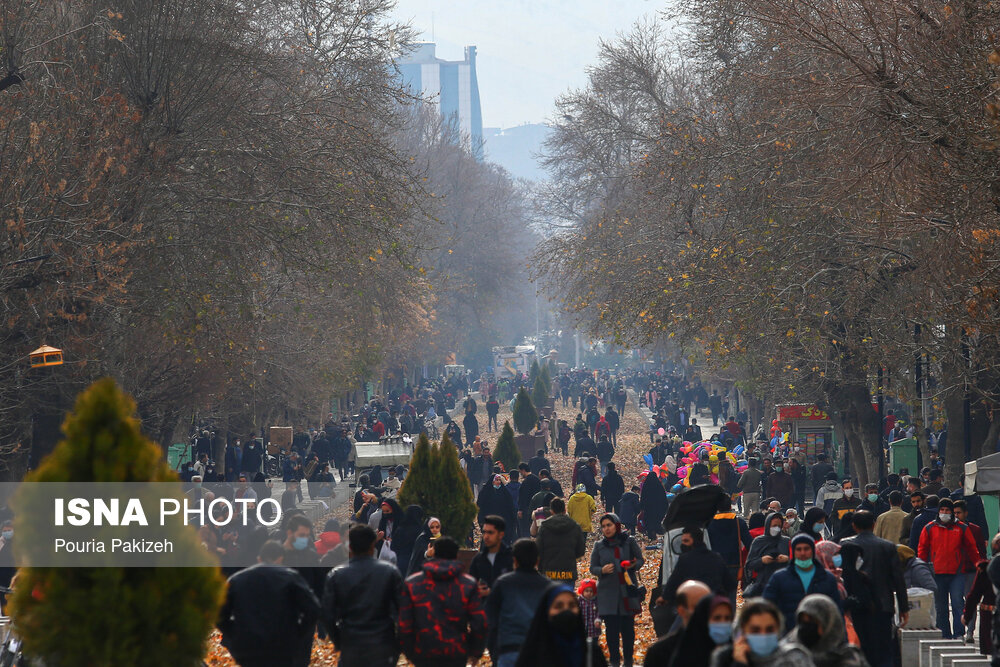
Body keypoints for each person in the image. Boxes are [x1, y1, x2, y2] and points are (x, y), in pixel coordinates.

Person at [218, 541, 321, 667]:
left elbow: (219, 612)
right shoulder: (290, 578)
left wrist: (233, 634)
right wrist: (297, 634)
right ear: (281, 559)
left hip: (248, 646)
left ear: (259, 558)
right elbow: (312, 609)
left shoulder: (237, 580)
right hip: (282, 645)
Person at [398, 536, 487, 667]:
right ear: (456, 555)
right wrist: (475, 652)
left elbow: (404, 623)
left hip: (423, 651)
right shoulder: (467, 584)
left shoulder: (413, 583)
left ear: (434, 553)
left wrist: (409, 651)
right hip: (456, 651)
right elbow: (479, 623)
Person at [323, 524, 404, 667]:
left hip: (351, 642)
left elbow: (328, 614)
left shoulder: (336, 575)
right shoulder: (390, 572)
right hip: (383, 642)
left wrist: (338, 641)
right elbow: (403, 611)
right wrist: (398, 643)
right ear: (373, 545)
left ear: (350, 546)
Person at [839, 510, 908, 667]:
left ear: (854, 526)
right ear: (874, 525)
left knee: (861, 647)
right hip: (883, 605)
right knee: (884, 648)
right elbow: (898, 579)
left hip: (855, 605)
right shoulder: (888, 546)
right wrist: (903, 607)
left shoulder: (845, 545)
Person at [917, 497, 980, 638]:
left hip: (957, 573)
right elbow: (922, 550)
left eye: (947, 510)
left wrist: (979, 565)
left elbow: (972, 548)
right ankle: (944, 634)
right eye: (942, 510)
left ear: (952, 512)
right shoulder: (929, 528)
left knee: (958, 603)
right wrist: (922, 569)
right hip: (936, 573)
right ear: (938, 511)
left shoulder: (962, 528)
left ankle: (959, 633)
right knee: (941, 607)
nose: (944, 513)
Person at [590, 513, 644, 667]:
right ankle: (614, 661)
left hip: (627, 591)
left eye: (609, 525)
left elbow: (640, 559)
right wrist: (602, 570)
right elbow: (592, 567)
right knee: (611, 631)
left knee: (628, 630)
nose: (606, 529)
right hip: (607, 594)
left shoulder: (629, 541)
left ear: (617, 525)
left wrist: (632, 565)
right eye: (604, 526)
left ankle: (628, 661)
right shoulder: (599, 545)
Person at [486, 538, 551, 667]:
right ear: (537, 561)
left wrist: (493, 649)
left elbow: (490, 619)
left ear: (514, 560)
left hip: (509, 649)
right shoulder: (549, 587)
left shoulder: (503, 584)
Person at [514, 584, 609, 667]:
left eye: (572, 605)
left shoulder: (592, 654)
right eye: (558, 606)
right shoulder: (532, 654)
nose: (566, 611)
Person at [762, 534, 841, 633]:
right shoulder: (779, 578)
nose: (803, 553)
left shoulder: (827, 578)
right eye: (798, 549)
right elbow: (767, 608)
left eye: (806, 549)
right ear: (793, 552)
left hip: (821, 638)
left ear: (813, 550)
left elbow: (837, 612)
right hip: (789, 638)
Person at [709, 598, 813, 667]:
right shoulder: (726, 658)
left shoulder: (795, 658)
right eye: (755, 630)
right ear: (743, 630)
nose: (763, 635)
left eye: (769, 630)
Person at [659, 526, 738, 611]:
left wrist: (664, 597)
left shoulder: (685, 559)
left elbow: (673, 581)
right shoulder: (716, 558)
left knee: (678, 624)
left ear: (695, 541)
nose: (683, 545)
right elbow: (730, 585)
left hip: (692, 607)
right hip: (714, 606)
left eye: (686, 541)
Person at [784, 594, 867, 667]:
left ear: (829, 624)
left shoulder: (850, 658)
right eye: (802, 621)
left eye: (812, 620)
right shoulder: (787, 658)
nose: (806, 626)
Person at [644, 580, 712, 666]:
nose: (703, 611)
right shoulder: (660, 653)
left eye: (707, 606)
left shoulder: (724, 651)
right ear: (681, 610)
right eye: (696, 607)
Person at [706, 494, 752, 589]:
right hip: (734, 564)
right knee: (731, 595)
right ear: (730, 505)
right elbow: (749, 544)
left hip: (715, 564)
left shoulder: (709, 523)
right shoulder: (739, 522)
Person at [964, 534, 998, 656]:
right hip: (989, 615)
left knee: (990, 653)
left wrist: (967, 616)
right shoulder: (986, 568)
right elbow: (974, 594)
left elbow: (974, 594)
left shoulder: (985, 568)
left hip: (989, 615)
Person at [537, 497, 586, 584]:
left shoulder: (544, 527)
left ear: (551, 511)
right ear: (564, 510)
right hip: (568, 572)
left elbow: (539, 550)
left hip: (549, 572)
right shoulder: (574, 526)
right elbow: (580, 551)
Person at [744, 512, 791, 597]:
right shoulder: (758, 541)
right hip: (762, 585)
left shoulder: (786, 541)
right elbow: (749, 564)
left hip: (783, 585)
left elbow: (796, 562)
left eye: (779, 526)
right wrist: (762, 560)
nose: (776, 528)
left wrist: (787, 559)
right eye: (774, 526)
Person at [469, 515, 514, 595]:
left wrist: (492, 592)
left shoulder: (511, 557)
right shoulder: (479, 559)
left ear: (501, 535)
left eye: (490, 532)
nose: (486, 536)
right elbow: (470, 585)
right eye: (484, 532)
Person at [478, 474, 518, 543]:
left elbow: (510, 507)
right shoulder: (485, 492)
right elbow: (480, 506)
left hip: (503, 521)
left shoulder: (505, 492)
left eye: (500, 480)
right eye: (497, 480)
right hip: (489, 520)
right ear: (492, 481)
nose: (499, 482)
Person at [640, 472, 668, 540]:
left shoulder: (646, 485)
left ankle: (651, 534)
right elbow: (663, 497)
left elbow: (643, 496)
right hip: (658, 508)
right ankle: (656, 530)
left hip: (648, 508)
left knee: (649, 521)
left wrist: (641, 507)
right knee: (656, 520)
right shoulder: (659, 485)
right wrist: (665, 507)